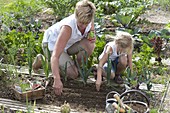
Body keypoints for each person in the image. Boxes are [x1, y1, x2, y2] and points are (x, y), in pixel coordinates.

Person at [32, 0, 96, 95]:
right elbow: (55, 56)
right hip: (52, 46)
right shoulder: (67, 27)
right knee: (72, 75)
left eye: (86, 24)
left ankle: (75, 68)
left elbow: (91, 35)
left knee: (90, 45)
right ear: (76, 16)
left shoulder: (88, 19)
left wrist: (92, 37)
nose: (83, 26)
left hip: (68, 44)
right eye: (81, 23)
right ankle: (43, 60)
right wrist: (57, 79)